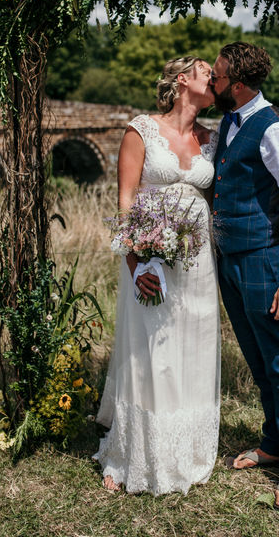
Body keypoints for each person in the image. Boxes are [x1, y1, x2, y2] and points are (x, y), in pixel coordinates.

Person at [94, 56, 220, 496]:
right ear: (183, 80)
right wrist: (136, 264)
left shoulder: (213, 138)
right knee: (150, 347)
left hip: (198, 261)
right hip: (150, 260)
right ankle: (132, 452)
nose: (215, 77)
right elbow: (125, 200)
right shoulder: (141, 130)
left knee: (194, 344)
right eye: (207, 71)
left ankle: (187, 448)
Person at [210, 41, 279, 513]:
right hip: (229, 260)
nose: (212, 82)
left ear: (236, 84)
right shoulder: (229, 122)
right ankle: (272, 443)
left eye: (216, 76)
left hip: (263, 259)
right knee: (257, 360)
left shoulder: (273, 129)